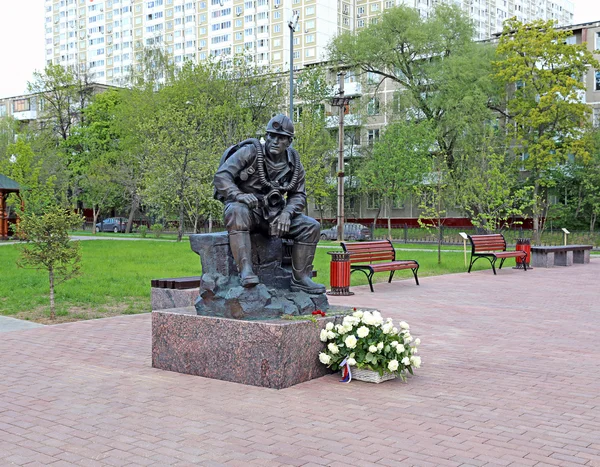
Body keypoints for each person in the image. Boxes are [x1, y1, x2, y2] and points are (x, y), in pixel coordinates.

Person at [214, 114, 326, 295]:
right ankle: (246, 272)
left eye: (280, 137)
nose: (274, 141)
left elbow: (298, 195)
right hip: (248, 210)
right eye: (271, 136)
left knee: (310, 226)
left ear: (289, 141)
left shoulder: (294, 163)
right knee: (236, 211)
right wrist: (239, 195)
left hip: (274, 213)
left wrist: (287, 214)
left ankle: (301, 279)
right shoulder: (250, 152)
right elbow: (221, 177)